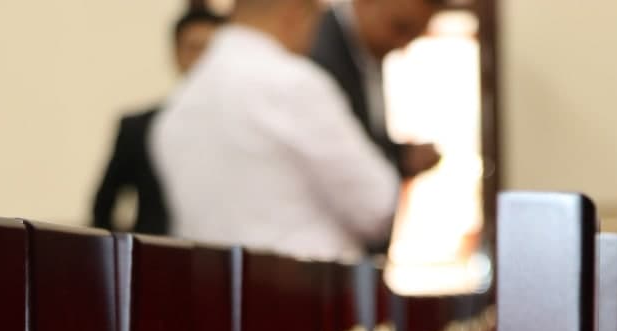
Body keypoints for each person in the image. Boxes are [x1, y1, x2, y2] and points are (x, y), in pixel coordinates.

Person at [151, 0, 400, 262]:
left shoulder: (177, 106)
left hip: (214, 283)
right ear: (295, 12)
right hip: (305, 280)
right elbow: (378, 206)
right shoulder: (294, 85)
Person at [91, 8, 224, 234]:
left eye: (212, 50)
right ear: (176, 53)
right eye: (194, 48)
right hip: (155, 250)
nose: (202, 60)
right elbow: (104, 206)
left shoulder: (244, 128)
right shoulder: (138, 128)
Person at [309, 0, 444, 182]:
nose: (402, 44)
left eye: (413, 36)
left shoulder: (367, 51)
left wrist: (402, 156)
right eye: (400, 28)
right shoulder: (315, 47)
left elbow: (363, 139)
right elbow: (331, 154)